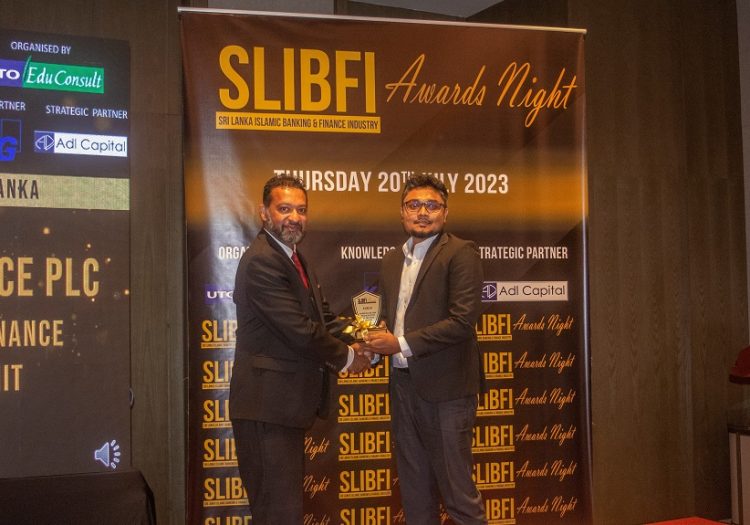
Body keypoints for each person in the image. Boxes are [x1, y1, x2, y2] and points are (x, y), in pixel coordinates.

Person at [229, 174, 370, 524]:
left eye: (301, 210)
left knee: (284, 511)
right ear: (264, 213)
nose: (294, 217)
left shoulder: (294, 258)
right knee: (278, 514)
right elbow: (299, 331)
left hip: (284, 409)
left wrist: (366, 338)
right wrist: (349, 357)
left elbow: (323, 320)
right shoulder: (263, 260)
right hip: (267, 409)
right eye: (284, 209)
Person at [364, 174, 487, 525]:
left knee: (458, 495)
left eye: (432, 205)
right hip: (403, 387)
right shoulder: (391, 260)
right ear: (402, 212)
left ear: (445, 213)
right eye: (414, 205)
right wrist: (374, 344)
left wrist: (400, 344)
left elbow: (462, 321)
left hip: (447, 392)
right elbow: (393, 321)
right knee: (415, 494)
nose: (422, 212)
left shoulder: (461, 252)